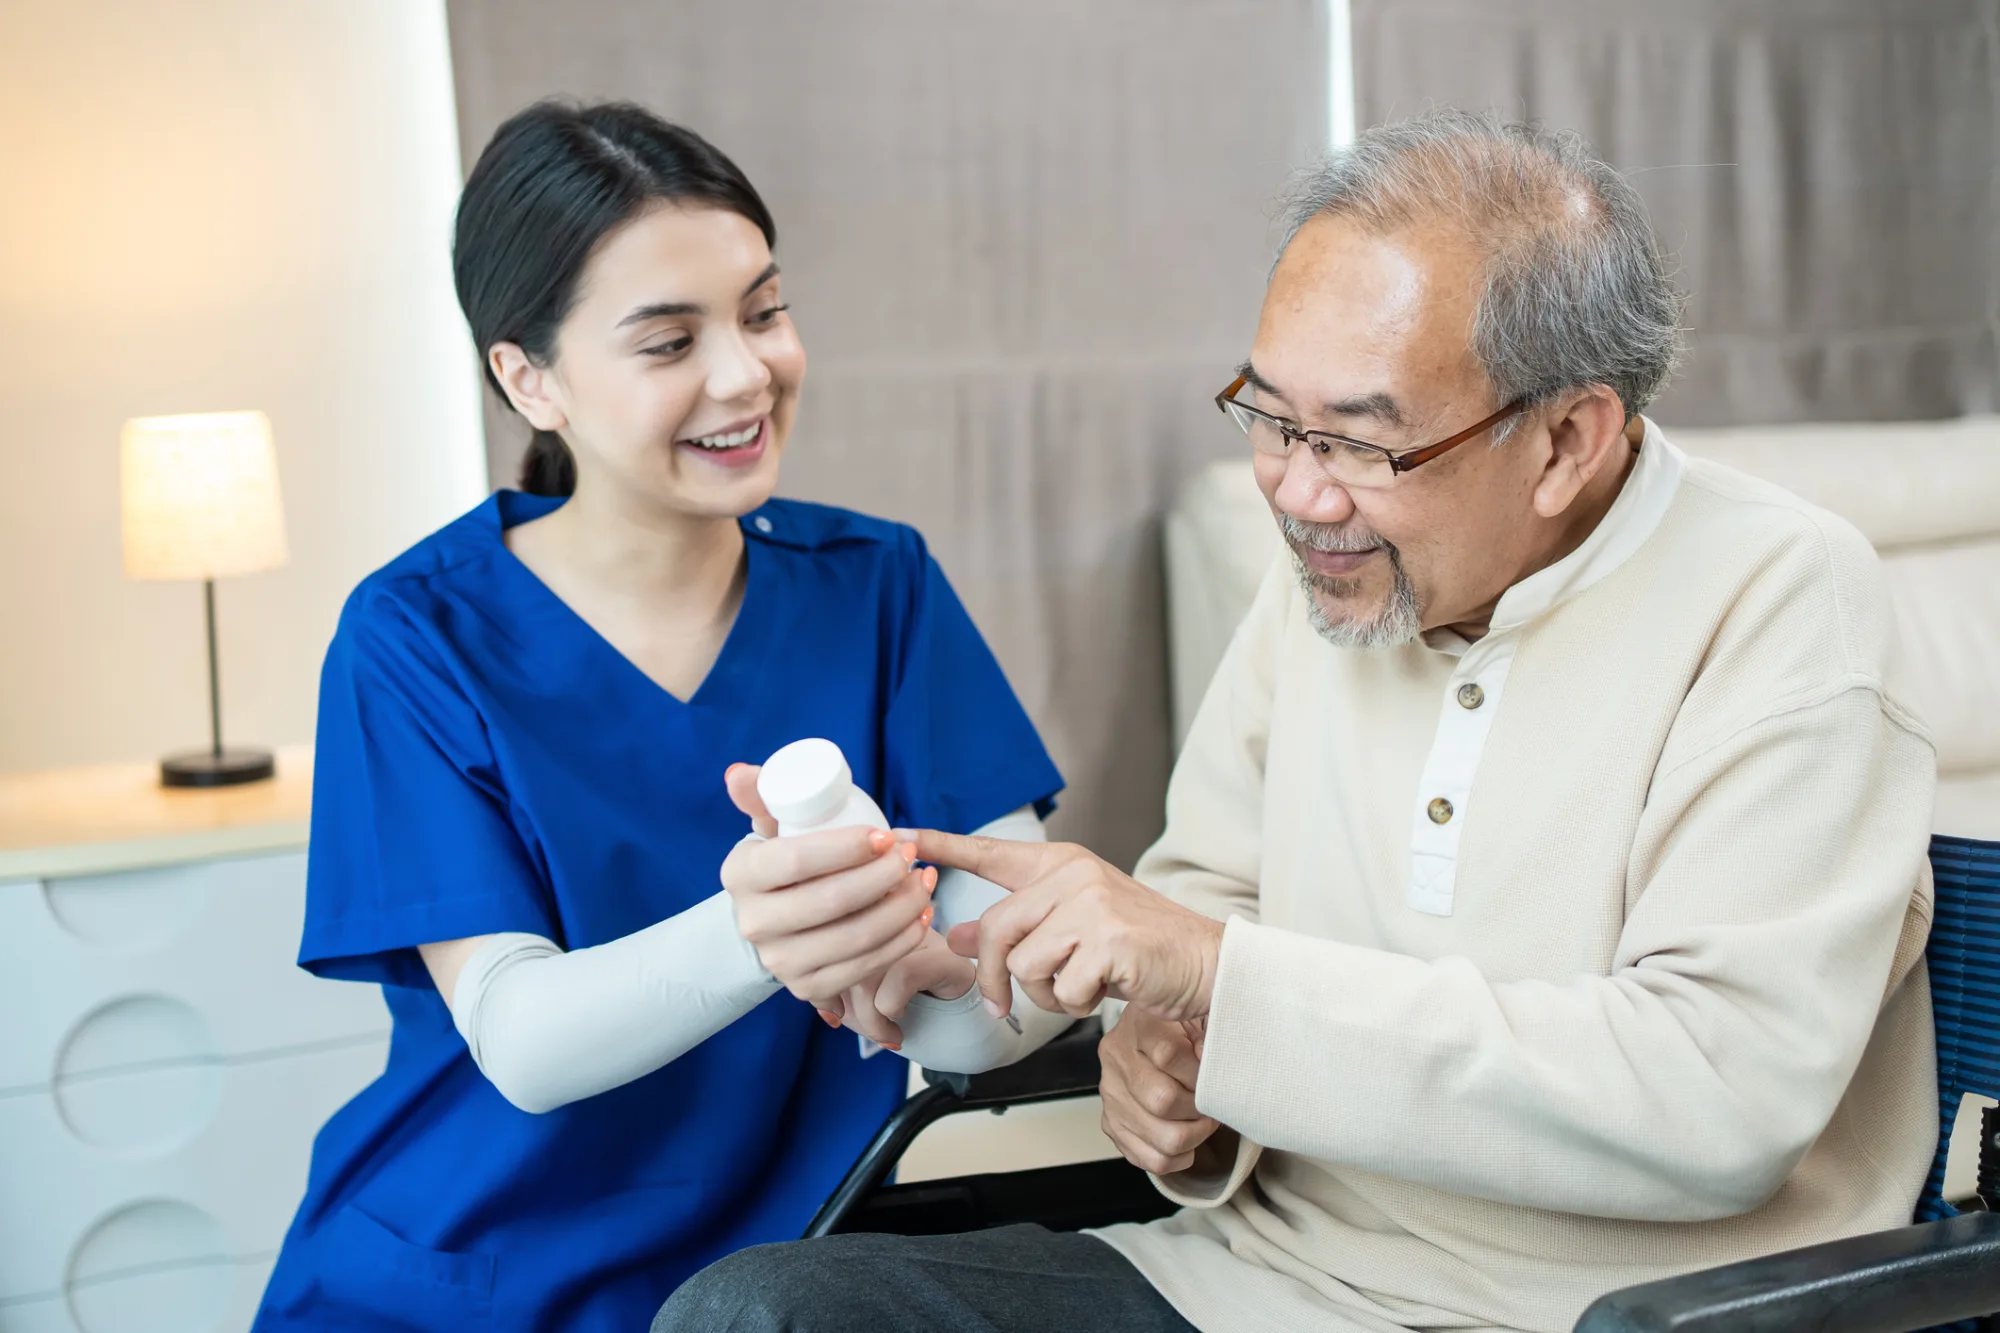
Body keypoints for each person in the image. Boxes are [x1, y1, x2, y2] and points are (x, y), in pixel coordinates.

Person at [658, 109, 1938, 1333]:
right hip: (1258, 1284)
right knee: (756, 1313)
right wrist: (1151, 1060)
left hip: (1609, 1314)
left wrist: (1221, 982)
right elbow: (1205, 912)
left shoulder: (1781, 599)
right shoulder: (1337, 578)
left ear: (1566, 437)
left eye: (1358, 443)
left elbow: (1711, 1097)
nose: (1293, 488)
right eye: (1270, 416)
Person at [253, 100, 1065, 1333]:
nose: (744, 373)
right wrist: (767, 932)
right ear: (528, 378)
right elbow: (521, 1038)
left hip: (771, 1282)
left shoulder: (876, 585)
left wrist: (940, 973)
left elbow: (1006, 982)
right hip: (460, 1277)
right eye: (667, 340)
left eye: (763, 310)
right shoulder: (416, 635)